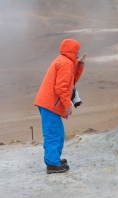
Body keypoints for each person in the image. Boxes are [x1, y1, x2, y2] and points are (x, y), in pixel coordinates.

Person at [34, 39, 85, 174]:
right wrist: (67, 104)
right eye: (77, 49)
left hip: (48, 103)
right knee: (53, 133)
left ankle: (54, 159)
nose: (79, 51)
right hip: (50, 104)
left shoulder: (65, 61)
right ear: (71, 50)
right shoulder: (65, 63)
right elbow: (61, 88)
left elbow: (70, 82)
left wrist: (79, 66)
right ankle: (52, 164)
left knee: (58, 133)